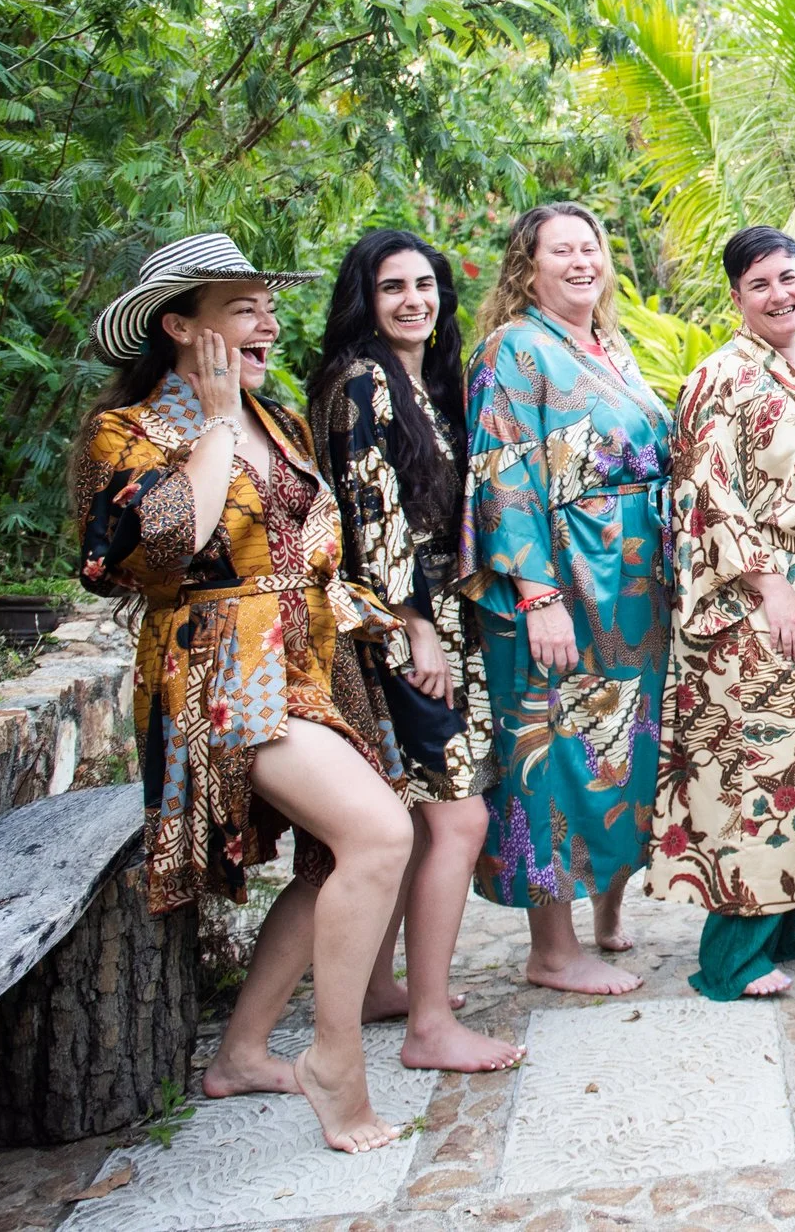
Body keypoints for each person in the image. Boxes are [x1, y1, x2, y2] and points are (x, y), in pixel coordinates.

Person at [73, 233, 412, 1153]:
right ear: (181, 327)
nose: (269, 321)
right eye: (243, 307)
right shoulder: (129, 433)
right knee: (381, 835)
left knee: (329, 858)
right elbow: (151, 555)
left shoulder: (283, 423)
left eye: (269, 304)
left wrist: (394, 624)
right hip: (221, 668)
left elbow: (312, 549)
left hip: (308, 658)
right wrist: (216, 421)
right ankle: (334, 1063)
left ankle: (241, 1052)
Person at [308, 231, 521, 1073]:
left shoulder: (417, 381)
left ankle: (379, 990)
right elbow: (373, 519)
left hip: (424, 618)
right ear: (364, 297)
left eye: (424, 285)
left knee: (412, 814)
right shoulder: (362, 381)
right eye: (392, 286)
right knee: (456, 818)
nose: (412, 300)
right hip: (398, 626)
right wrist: (416, 626)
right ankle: (430, 1024)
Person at [459, 202, 671, 995]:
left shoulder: (607, 346)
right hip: (563, 581)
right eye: (562, 250)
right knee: (549, 751)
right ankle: (552, 951)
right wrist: (537, 593)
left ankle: (606, 912)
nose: (582, 261)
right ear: (528, 266)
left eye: (591, 247)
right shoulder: (514, 350)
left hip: (631, 589)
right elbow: (501, 471)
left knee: (620, 744)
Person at [654, 226, 795, 1000]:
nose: (781, 295)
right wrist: (770, 585)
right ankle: (729, 959)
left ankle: (780, 924)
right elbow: (705, 495)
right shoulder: (721, 374)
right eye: (760, 285)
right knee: (759, 773)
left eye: (789, 277)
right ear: (737, 298)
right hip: (760, 605)